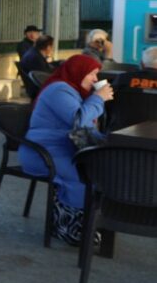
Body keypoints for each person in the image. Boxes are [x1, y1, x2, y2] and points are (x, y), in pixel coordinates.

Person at [20, 54, 113, 245]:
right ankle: (71, 228)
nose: (96, 79)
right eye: (92, 74)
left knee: (102, 171)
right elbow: (78, 121)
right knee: (84, 178)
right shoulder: (59, 90)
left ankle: (89, 224)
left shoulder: (74, 91)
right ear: (78, 72)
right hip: (42, 153)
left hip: (62, 149)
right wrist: (98, 98)